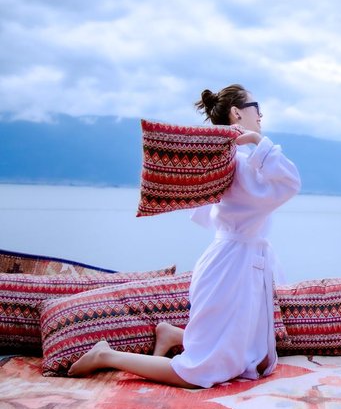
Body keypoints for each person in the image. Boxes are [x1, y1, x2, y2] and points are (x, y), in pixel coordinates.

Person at [69, 84, 301, 388]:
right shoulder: (240, 164)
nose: (261, 115)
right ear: (236, 113)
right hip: (232, 269)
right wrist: (258, 141)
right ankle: (106, 355)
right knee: (199, 373)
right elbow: (290, 182)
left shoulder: (227, 161)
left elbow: (210, 212)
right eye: (256, 107)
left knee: (239, 357)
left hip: (232, 262)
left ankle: (171, 334)